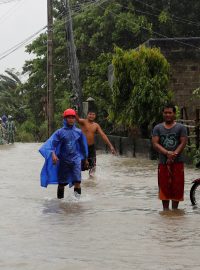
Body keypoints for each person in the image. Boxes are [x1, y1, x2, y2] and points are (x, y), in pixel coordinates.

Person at [39, 108, 89, 199]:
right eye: (69, 117)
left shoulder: (79, 132)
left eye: (73, 117)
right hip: (63, 160)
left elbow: (83, 147)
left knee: (77, 182)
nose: (71, 119)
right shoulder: (59, 132)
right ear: (65, 119)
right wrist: (53, 154)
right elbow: (51, 145)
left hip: (76, 159)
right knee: (62, 183)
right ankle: (60, 203)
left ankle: (77, 203)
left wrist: (85, 159)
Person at [152, 104, 188, 210]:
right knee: (164, 187)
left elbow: (183, 142)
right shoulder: (157, 128)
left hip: (178, 163)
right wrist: (167, 153)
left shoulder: (181, 128)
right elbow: (155, 143)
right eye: (165, 113)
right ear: (163, 114)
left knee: (177, 187)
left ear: (174, 114)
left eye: (170, 112)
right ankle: (166, 212)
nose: (168, 115)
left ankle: (175, 212)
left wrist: (173, 154)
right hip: (163, 163)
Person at [76, 110, 116, 176]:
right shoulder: (83, 122)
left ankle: (91, 182)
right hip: (82, 147)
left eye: (93, 114)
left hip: (91, 147)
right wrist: (75, 113)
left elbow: (103, 135)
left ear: (95, 116)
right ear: (87, 115)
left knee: (93, 166)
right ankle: (78, 182)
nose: (91, 116)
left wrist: (111, 146)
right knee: (79, 166)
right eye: (90, 114)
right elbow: (77, 120)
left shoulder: (96, 125)